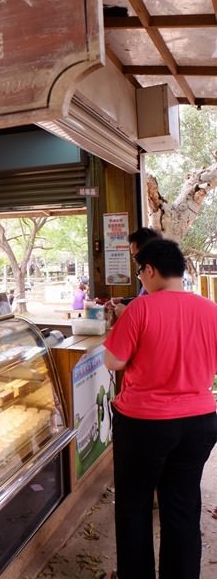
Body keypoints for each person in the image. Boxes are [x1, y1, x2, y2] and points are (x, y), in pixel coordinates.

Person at [103, 239, 217, 579]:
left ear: (150, 270)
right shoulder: (211, 309)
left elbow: (114, 360)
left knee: (134, 506)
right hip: (200, 422)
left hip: (144, 424)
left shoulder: (140, 309)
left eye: (140, 272)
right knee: (182, 507)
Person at [108, 227, 162, 318]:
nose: (135, 261)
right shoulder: (148, 272)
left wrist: (127, 314)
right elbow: (143, 300)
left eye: (135, 256)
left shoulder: (161, 278)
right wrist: (122, 301)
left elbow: (156, 317)